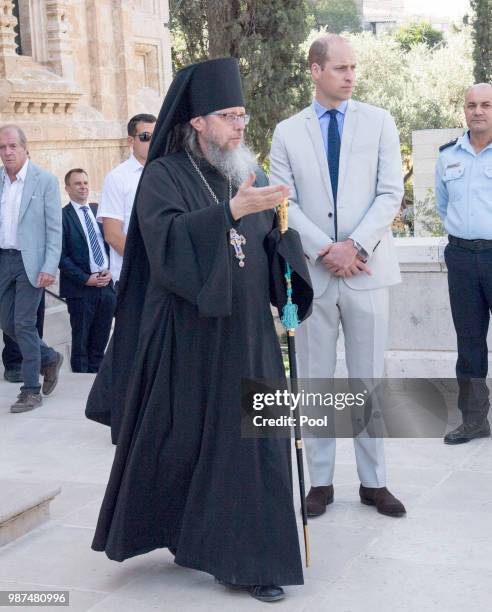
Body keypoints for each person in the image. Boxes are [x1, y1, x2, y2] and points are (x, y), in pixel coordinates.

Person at [85, 58, 312, 602]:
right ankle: (203, 542)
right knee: (196, 445)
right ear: (198, 122)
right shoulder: (163, 176)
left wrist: (284, 249)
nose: (239, 125)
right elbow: (164, 249)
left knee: (253, 446)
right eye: (228, 116)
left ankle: (251, 559)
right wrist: (228, 214)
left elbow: (261, 248)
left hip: (251, 336)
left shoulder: (242, 172)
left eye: (242, 114)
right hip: (193, 341)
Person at [270, 35, 406, 518]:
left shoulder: (379, 122)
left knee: (367, 379)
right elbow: (284, 199)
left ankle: (374, 483)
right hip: (315, 275)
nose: (350, 76)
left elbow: (390, 193)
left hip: (367, 271)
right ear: (314, 69)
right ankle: (320, 483)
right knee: (315, 380)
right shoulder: (288, 131)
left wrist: (355, 246)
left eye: (354, 68)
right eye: (340, 68)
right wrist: (326, 249)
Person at [436, 83, 492, 444]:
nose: (478, 111)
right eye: (472, 105)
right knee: (469, 341)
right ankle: (474, 420)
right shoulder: (447, 155)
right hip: (461, 258)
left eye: (486, 105)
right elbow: (444, 207)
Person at [0, 125, 63, 413]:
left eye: (12, 146)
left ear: (25, 148)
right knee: (7, 323)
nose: (7, 152)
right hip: (3, 260)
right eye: (2, 148)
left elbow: (54, 228)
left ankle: (30, 390)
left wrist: (50, 265)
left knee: (24, 323)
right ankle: (49, 356)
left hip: (32, 262)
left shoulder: (44, 180)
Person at [59, 168, 116, 373]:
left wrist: (111, 271)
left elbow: (111, 242)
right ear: (67, 188)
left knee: (101, 339)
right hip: (81, 289)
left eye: (85, 182)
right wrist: (85, 279)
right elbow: (61, 257)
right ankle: (81, 383)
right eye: (77, 183)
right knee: (81, 342)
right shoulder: (62, 217)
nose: (83, 187)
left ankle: (96, 380)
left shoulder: (98, 211)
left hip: (106, 286)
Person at [97, 113, 156, 289]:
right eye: (145, 137)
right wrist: (148, 265)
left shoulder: (166, 174)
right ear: (131, 141)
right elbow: (113, 235)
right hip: (133, 276)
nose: (152, 142)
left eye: (156, 135)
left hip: (164, 278)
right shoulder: (117, 178)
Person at [3, 294, 45, 382]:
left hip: (36, 282)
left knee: (36, 315)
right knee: (14, 316)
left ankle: (37, 359)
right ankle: (14, 364)